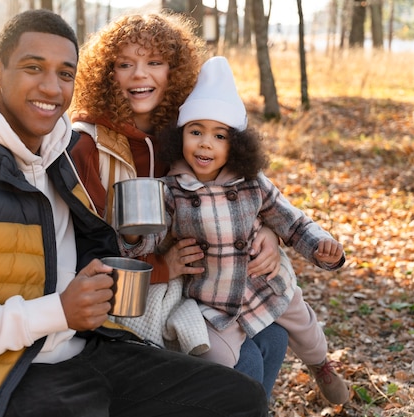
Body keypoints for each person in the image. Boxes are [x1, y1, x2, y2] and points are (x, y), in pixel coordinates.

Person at [0, 10, 269, 417]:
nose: (51, 86)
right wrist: (58, 311)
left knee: (239, 399)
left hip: (74, 347)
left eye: (65, 73)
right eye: (33, 67)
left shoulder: (52, 157)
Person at [69, 12, 287, 398]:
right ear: (106, 74)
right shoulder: (88, 144)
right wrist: (161, 268)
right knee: (242, 368)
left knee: (274, 337)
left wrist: (268, 230)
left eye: (154, 62)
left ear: (176, 73)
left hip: (198, 285)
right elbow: (82, 249)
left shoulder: (187, 134)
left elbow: (239, 185)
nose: (140, 75)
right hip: (133, 299)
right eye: (125, 64)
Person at [120, 56, 351, 405]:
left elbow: (290, 219)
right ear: (180, 136)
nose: (205, 144)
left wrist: (319, 245)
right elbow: (149, 238)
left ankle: (322, 368)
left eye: (219, 136)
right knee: (220, 363)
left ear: (236, 145)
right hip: (215, 300)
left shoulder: (252, 184)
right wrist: (135, 236)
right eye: (195, 132)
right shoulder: (171, 190)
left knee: (305, 329)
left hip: (265, 286)